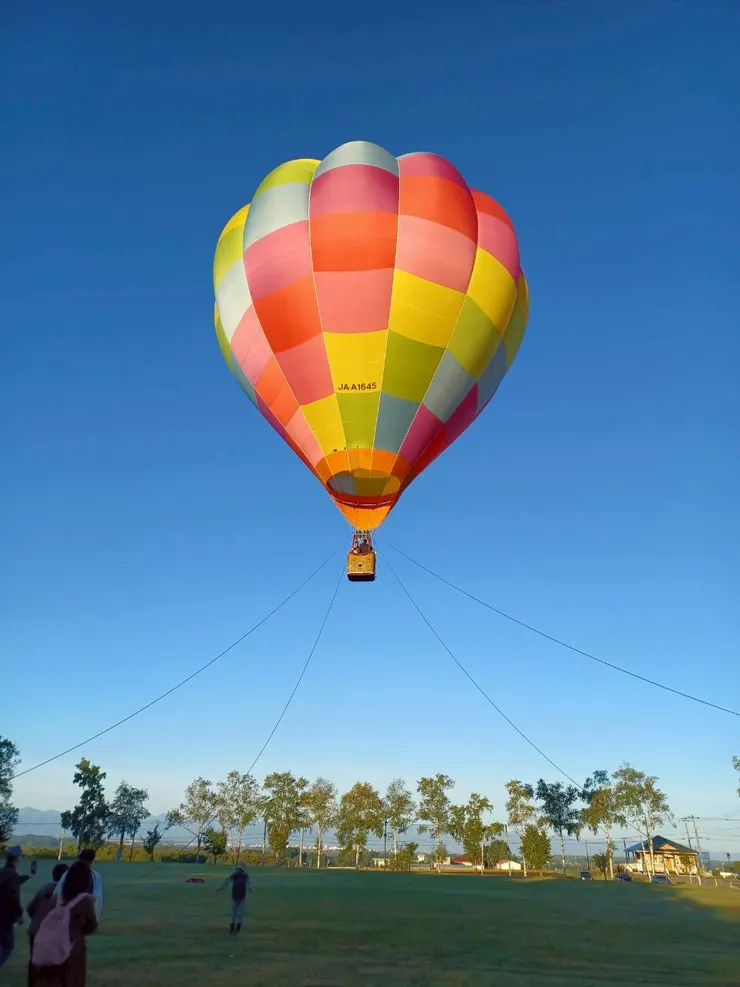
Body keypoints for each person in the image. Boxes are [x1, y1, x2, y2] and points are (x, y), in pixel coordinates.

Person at [30, 860, 98, 986]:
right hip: (73, 947)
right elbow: (91, 927)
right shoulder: (85, 900)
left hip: (52, 944)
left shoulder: (57, 896)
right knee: (71, 979)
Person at [26, 864, 69, 982]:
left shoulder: (43, 888)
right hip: (52, 934)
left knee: (34, 962)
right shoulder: (65, 894)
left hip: (35, 930)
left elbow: (30, 909)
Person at [0, 846, 33, 968]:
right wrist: (19, 915)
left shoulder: (3, 872)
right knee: (8, 946)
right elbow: (13, 898)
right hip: (4, 917)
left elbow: (14, 881)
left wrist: (28, 876)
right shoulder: (12, 875)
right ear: (17, 858)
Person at [54, 851, 102, 919]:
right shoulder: (95, 876)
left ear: (79, 858)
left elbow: (57, 893)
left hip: (64, 912)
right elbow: (98, 899)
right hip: (83, 915)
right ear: (92, 860)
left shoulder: (68, 873)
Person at [217, 863, 253, 935]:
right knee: (233, 914)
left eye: (240, 869)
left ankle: (237, 930)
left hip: (242, 898)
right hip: (234, 897)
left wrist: (250, 888)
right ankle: (232, 929)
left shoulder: (245, 876)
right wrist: (221, 887)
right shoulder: (234, 875)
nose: (238, 870)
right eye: (237, 869)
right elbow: (227, 881)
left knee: (240, 914)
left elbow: (249, 884)